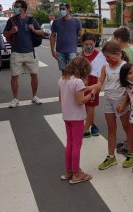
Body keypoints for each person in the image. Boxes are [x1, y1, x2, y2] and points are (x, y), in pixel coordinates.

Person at [96, 41, 133, 170]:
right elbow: (99, 83)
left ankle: (131, 154)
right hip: (108, 99)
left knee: (127, 128)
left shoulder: (125, 67)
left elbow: (130, 87)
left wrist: (124, 103)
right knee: (111, 128)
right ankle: (111, 156)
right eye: (106, 57)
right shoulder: (105, 67)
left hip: (121, 100)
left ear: (118, 54)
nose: (108, 60)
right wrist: (90, 89)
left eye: (109, 57)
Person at [58, 56, 94, 184]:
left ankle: (68, 171)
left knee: (70, 144)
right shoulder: (78, 81)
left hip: (67, 116)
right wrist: (91, 94)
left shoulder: (62, 79)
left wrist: (90, 87)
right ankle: (77, 173)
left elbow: (61, 98)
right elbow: (80, 101)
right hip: (77, 118)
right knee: (77, 146)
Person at [3, 0, 44, 108]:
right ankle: (15, 99)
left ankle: (34, 96)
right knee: (14, 76)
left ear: (23, 8)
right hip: (16, 52)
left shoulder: (31, 19)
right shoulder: (11, 20)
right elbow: (5, 33)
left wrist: (34, 30)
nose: (15, 8)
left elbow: (42, 32)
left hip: (30, 52)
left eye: (17, 7)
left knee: (34, 75)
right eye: (14, 6)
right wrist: (11, 31)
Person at [80, 33, 104, 138]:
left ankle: (86, 129)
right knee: (85, 105)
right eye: (86, 44)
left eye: (91, 43)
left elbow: (103, 71)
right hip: (82, 84)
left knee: (91, 106)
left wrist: (99, 84)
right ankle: (93, 125)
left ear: (95, 43)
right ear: (82, 44)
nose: (89, 46)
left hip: (94, 84)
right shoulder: (80, 56)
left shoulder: (99, 55)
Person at [50, 2, 83, 74]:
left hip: (72, 51)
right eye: (60, 9)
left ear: (68, 9)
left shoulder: (76, 21)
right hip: (60, 52)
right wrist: (52, 50)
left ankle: (73, 85)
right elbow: (52, 36)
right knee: (64, 72)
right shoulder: (56, 22)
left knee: (73, 71)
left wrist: (83, 49)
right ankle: (65, 85)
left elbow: (81, 35)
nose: (62, 11)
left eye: (63, 9)